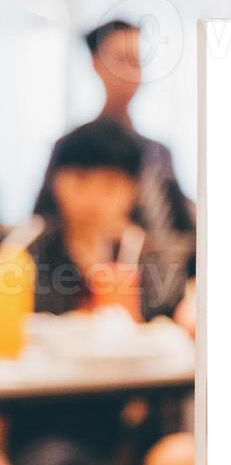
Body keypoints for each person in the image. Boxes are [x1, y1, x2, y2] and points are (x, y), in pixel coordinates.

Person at [4, 120, 194, 465]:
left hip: (138, 425)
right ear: (56, 183)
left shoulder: (154, 259)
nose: (92, 197)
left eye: (109, 184)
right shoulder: (24, 255)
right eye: (79, 180)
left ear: (132, 189)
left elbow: (175, 336)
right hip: (48, 428)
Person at [34, 19, 195, 313]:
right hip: (67, 292)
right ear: (96, 64)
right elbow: (40, 222)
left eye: (137, 61)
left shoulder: (158, 154)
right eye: (121, 60)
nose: (131, 72)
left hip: (149, 297)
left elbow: (184, 231)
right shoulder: (71, 148)